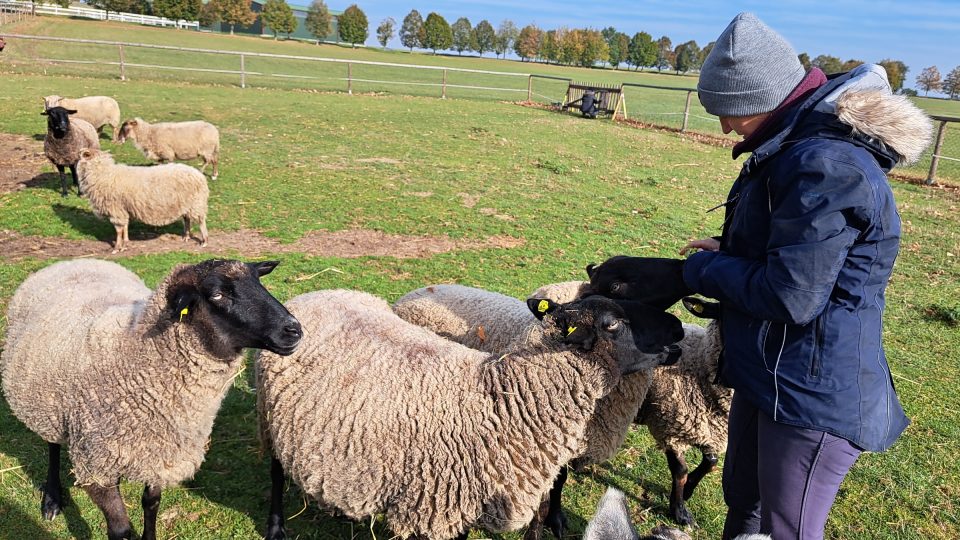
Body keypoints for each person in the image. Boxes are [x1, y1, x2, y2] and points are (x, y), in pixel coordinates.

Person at [678, 12, 932, 540]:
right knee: (744, 504)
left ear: (762, 97)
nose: (725, 127)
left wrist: (703, 269)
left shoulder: (825, 163)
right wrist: (732, 248)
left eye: (729, 112)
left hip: (809, 391)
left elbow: (792, 294)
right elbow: (798, 252)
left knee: (786, 528)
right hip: (770, 373)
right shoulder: (793, 149)